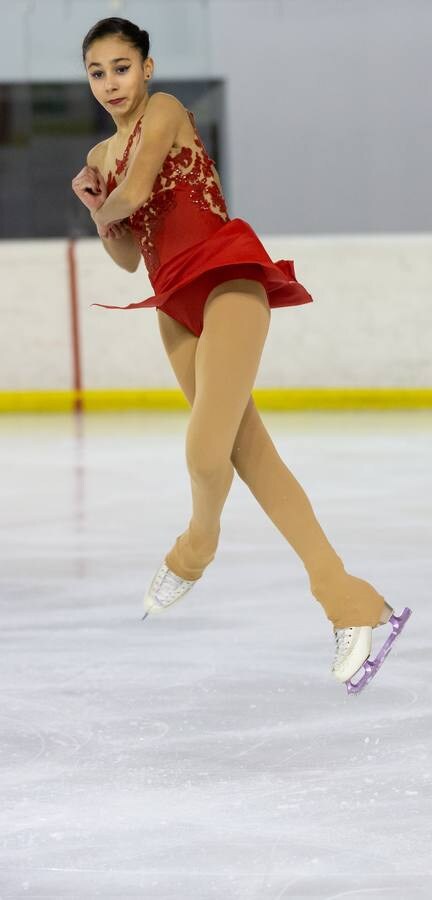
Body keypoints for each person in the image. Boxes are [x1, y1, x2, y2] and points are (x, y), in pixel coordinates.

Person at [72, 17, 411, 693]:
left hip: (226, 280)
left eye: (122, 67)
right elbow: (127, 251)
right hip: (174, 309)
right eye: (97, 71)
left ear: (147, 68)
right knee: (250, 455)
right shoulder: (99, 158)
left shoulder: (165, 111)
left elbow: (137, 194)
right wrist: (92, 207)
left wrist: (107, 200)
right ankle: (351, 600)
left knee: (204, 453)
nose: (111, 83)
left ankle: (194, 550)